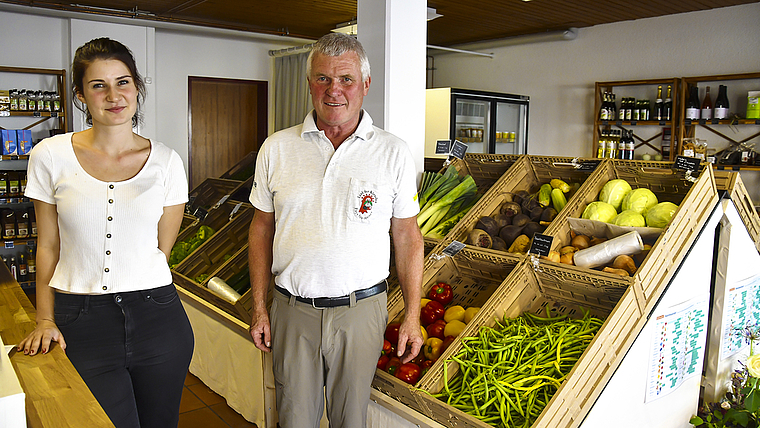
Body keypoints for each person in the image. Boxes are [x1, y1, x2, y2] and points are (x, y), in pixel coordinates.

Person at [248, 32, 424, 427]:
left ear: (365, 84)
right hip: (292, 312)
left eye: (345, 79)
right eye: (323, 78)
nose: (334, 91)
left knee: (351, 419)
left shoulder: (392, 151)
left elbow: (408, 237)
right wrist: (260, 308)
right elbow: (260, 229)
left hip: (361, 312)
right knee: (294, 419)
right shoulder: (276, 148)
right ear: (310, 83)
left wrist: (412, 314)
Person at [17, 37, 193, 428]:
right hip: (81, 320)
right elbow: (47, 245)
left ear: (137, 88)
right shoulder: (50, 155)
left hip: (158, 319)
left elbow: (161, 249)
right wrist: (44, 319)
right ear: (80, 94)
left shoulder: (166, 162)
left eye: (123, 82)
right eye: (98, 85)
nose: (113, 95)